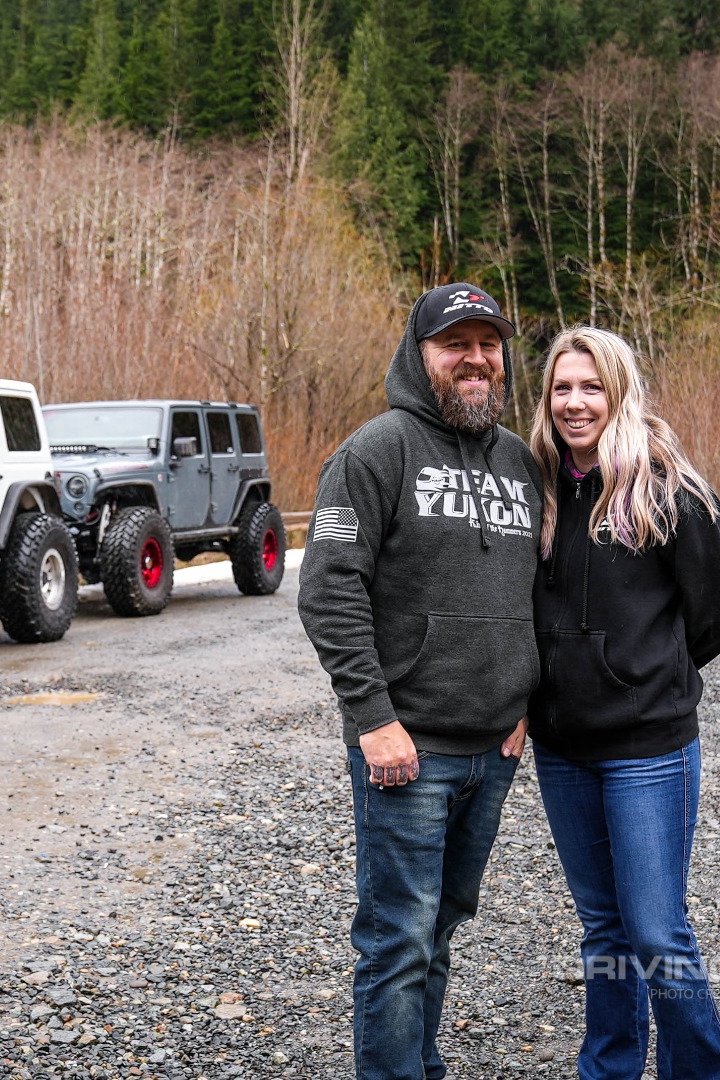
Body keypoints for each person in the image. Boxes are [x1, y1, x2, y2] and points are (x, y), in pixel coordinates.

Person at [297, 283, 542, 1080]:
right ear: (420, 354)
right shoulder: (375, 451)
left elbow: (536, 597)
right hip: (407, 751)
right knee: (397, 940)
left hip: (493, 753)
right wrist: (372, 716)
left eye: (489, 343)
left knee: (438, 930)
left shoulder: (519, 462)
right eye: (455, 344)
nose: (476, 359)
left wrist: (526, 701)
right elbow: (329, 589)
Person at [526, 325, 720, 1080]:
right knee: (605, 933)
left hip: (648, 750)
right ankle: (610, 1068)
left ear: (618, 391)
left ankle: (704, 1074)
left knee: (657, 932)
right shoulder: (538, 484)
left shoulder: (666, 485)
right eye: (562, 387)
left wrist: (648, 674)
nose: (575, 402)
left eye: (591, 387)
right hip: (563, 749)